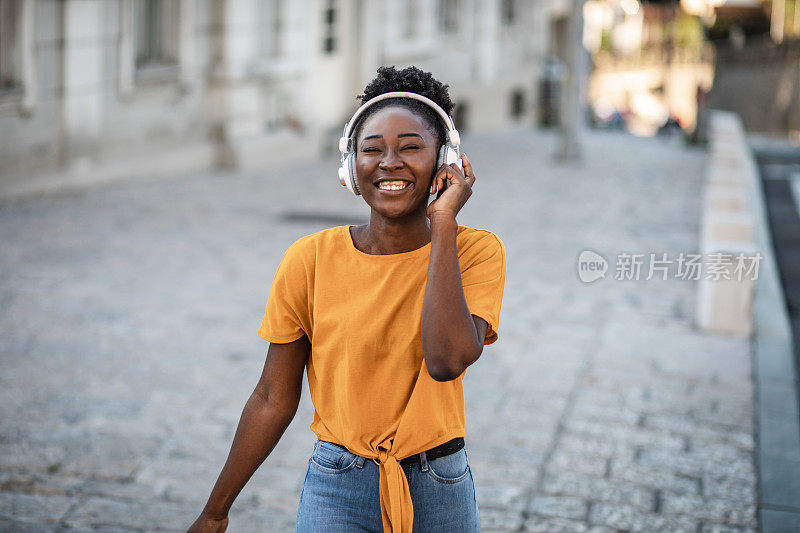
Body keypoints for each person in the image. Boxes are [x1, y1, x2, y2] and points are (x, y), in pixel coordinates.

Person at [187, 65, 506, 533]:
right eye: (371, 149)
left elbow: (447, 359)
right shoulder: (309, 259)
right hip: (337, 484)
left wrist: (443, 225)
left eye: (411, 148)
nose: (389, 162)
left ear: (447, 162)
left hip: (439, 483)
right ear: (350, 167)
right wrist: (215, 512)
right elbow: (273, 397)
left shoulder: (475, 251)